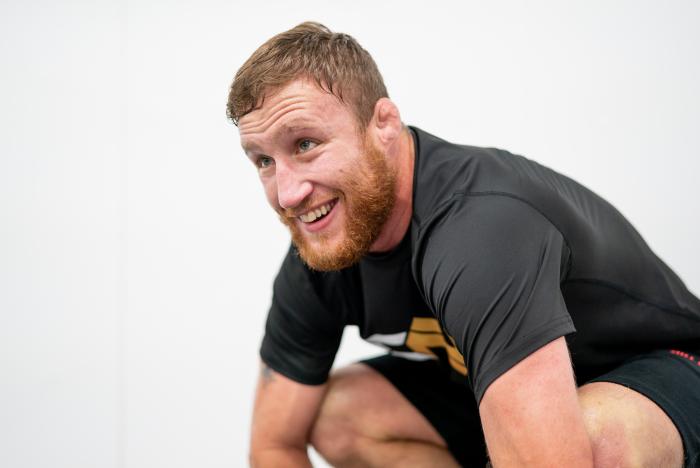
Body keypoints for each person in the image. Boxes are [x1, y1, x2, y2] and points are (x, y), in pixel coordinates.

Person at [228, 22, 700, 467]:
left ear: (384, 124)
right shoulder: (323, 250)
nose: (287, 194)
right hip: (502, 388)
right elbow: (274, 446)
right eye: (264, 160)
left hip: (664, 369)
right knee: (337, 415)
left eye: (306, 144)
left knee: (594, 443)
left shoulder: (479, 230)